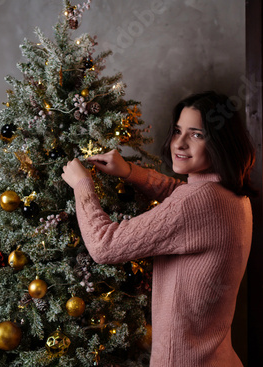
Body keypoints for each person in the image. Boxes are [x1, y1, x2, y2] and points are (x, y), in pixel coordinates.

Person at [61, 91, 256, 367]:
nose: (180, 143)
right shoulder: (233, 194)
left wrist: (82, 185)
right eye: (178, 130)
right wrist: (129, 171)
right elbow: (179, 193)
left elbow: (104, 245)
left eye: (197, 135)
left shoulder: (197, 202)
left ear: (221, 143)